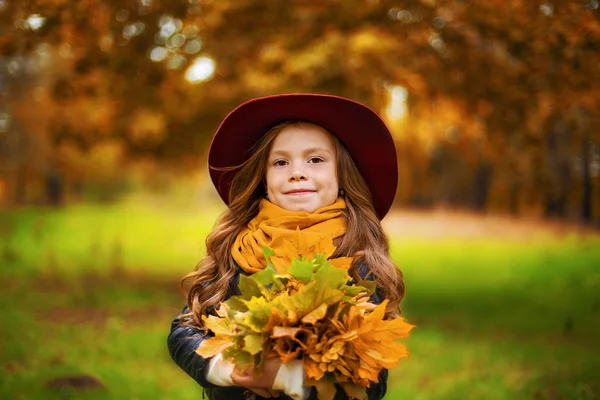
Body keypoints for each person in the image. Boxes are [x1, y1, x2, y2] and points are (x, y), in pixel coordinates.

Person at [168, 93, 405, 400]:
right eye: (280, 162)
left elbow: (374, 380)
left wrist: (294, 379)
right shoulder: (239, 250)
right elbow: (185, 329)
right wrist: (222, 367)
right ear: (263, 180)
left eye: (315, 160)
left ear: (342, 175)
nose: (297, 172)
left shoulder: (357, 256)